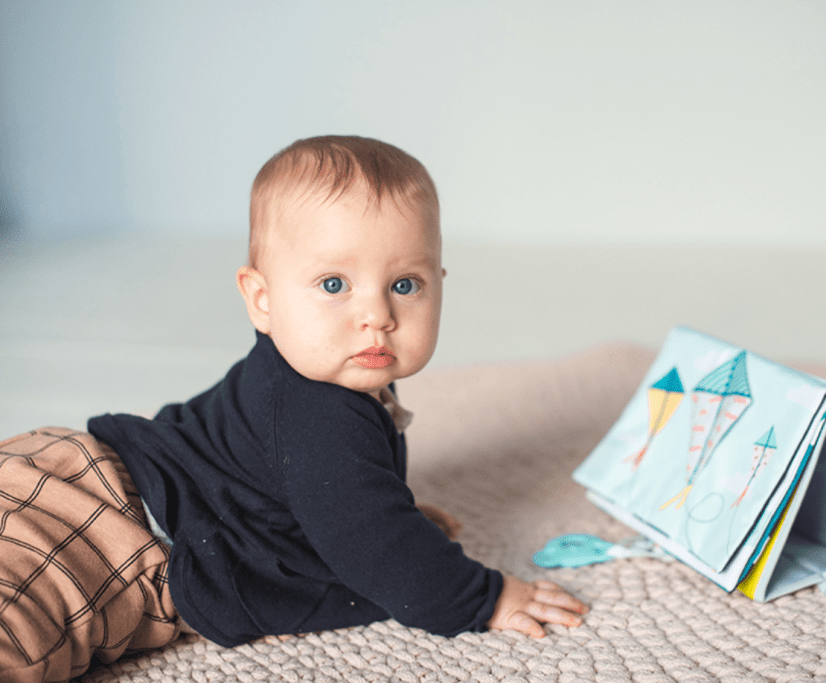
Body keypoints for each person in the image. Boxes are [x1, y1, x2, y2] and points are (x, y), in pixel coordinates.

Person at [0, 135, 587, 683]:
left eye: (405, 285)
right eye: (334, 284)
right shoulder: (320, 414)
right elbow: (375, 550)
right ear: (262, 298)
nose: (377, 314)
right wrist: (483, 597)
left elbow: (335, 505)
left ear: (439, 281)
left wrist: (378, 511)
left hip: (66, 463)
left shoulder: (311, 375)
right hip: (105, 536)